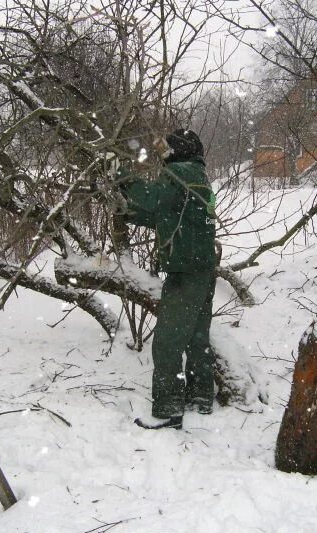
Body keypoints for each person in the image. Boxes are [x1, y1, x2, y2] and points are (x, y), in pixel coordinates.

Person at [120, 129, 217, 430]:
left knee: (167, 343)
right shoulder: (198, 174)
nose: (163, 156)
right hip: (202, 267)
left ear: (179, 151)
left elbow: (151, 201)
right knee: (197, 336)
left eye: (166, 150)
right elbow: (166, 213)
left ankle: (168, 407)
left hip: (185, 270)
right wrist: (129, 213)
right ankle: (201, 395)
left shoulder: (179, 172)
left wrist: (121, 174)